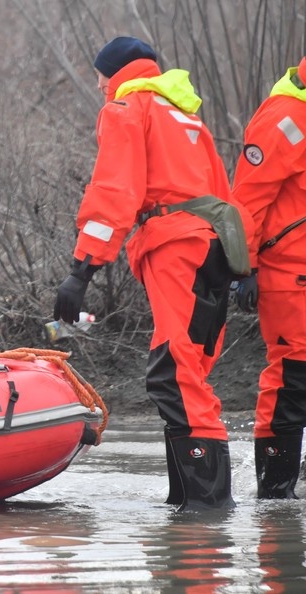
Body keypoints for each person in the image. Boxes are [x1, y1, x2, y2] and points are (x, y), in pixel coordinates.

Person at [53, 36, 248, 511]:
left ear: (111, 74)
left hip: (174, 246)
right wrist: (246, 268)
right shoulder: (187, 115)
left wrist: (82, 270)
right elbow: (224, 194)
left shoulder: (128, 106)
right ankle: (186, 503)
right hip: (215, 250)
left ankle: (206, 511)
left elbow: (114, 191)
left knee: (175, 375)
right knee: (190, 373)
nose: (99, 86)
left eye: (100, 77)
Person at [230, 57, 306, 499]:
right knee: (292, 379)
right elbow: (248, 201)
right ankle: (275, 496)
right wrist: (247, 267)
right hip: (288, 274)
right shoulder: (284, 118)